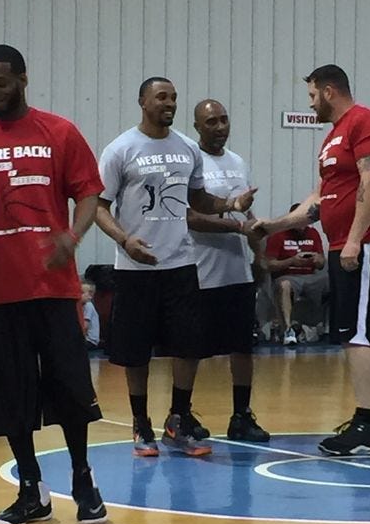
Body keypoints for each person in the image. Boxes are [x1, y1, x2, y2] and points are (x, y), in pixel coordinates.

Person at [0, 44, 107, 524]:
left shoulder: (60, 132)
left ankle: (82, 479)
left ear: (23, 80)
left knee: (71, 391)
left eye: (1, 83)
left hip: (52, 290)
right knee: (11, 396)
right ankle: (32, 489)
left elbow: (89, 193)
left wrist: (72, 238)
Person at [95, 77, 255, 458]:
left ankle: (177, 421)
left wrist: (231, 205)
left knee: (187, 348)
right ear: (142, 102)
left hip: (182, 264)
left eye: (173, 98)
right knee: (136, 353)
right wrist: (125, 240)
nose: (169, 104)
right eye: (161, 97)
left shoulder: (186, 148)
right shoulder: (121, 149)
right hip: (136, 268)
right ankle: (140, 424)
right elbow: (99, 206)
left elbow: (196, 198)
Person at [253, 64, 370, 456]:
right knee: (354, 335)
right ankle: (368, 419)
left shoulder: (365, 123)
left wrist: (354, 241)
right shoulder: (333, 138)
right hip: (342, 245)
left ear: (330, 91)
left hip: (364, 246)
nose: (312, 104)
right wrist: (272, 225)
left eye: (313, 96)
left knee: (360, 335)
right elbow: (321, 200)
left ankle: (368, 423)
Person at [188, 99, 270, 442]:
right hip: (200, 269)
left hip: (237, 271)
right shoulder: (192, 161)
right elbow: (190, 217)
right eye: (211, 122)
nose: (220, 127)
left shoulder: (237, 162)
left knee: (242, 347)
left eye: (224, 120)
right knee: (190, 348)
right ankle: (182, 414)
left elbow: (246, 218)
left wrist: (259, 255)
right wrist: (236, 228)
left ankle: (241, 415)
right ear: (198, 127)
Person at [263, 204, 328, 345]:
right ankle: (288, 330)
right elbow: (269, 265)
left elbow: (322, 263)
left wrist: (318, 259)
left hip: (312, 277)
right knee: (284, 285)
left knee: (335, 281)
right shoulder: (278, 235)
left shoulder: (313, 234)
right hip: (288, 276)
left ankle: (333, 329)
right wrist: (291, 261)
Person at [81, 279, 101, 348]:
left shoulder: (88, 306)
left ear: (90, 296)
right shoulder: (81, 306)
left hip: (90, 340)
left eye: (81, 293)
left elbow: (85, 326)